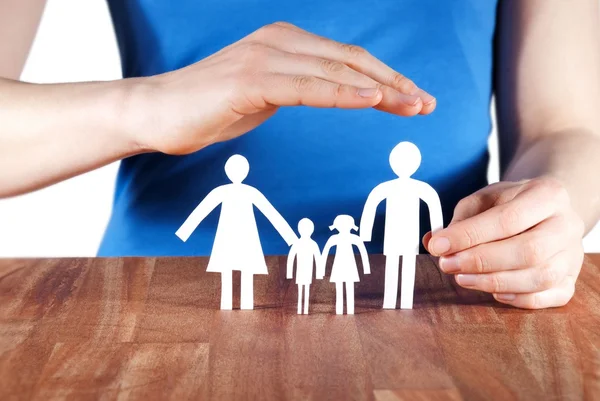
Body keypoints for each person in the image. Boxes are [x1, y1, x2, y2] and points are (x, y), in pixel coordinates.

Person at [2, 1, 600, 309]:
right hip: (160, 300)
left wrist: (548, 209)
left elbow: (567, 126)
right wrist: (147, 105)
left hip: (441, 297)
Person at [175, 154, 297, 310]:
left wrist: (290, 237)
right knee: (231, 268)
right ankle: (230, 304)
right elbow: (202, 210)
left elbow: (270, 212)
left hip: (243, 235)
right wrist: (290, 237)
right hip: (230, 235)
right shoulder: (242, 192)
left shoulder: (232, 191)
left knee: (241, 268)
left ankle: (242, 304)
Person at [360, 141, 443, 310]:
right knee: (392, 266)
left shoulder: (420, 188)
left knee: (407, 267)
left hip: (410, 238)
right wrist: (364, 233)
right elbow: (371, 205)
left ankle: (405, 301)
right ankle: (390, 301)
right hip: (392, 236)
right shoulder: (388, 188)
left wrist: (438, 235)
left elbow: (434, 205)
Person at [318, 215, 370, 315]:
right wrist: (320, 271)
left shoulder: (354, 238)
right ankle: (340, 310)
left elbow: (363, 252)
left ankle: (350, 310)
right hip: (339, 266)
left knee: (349, 289)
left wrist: (366, 268)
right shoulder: (334, 238)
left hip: (349, 266)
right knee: (339, 290)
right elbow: (324, 253)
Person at [287, 218, 322, 314]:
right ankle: (300, 308)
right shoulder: (298, 244)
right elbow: (291, 258)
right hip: (301, 271)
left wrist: (319, 274)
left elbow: (318, 259)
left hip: (307, 271)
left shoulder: (312, 244)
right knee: (301, 290)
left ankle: (305, 309)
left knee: (306, 289)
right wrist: (289, 274)